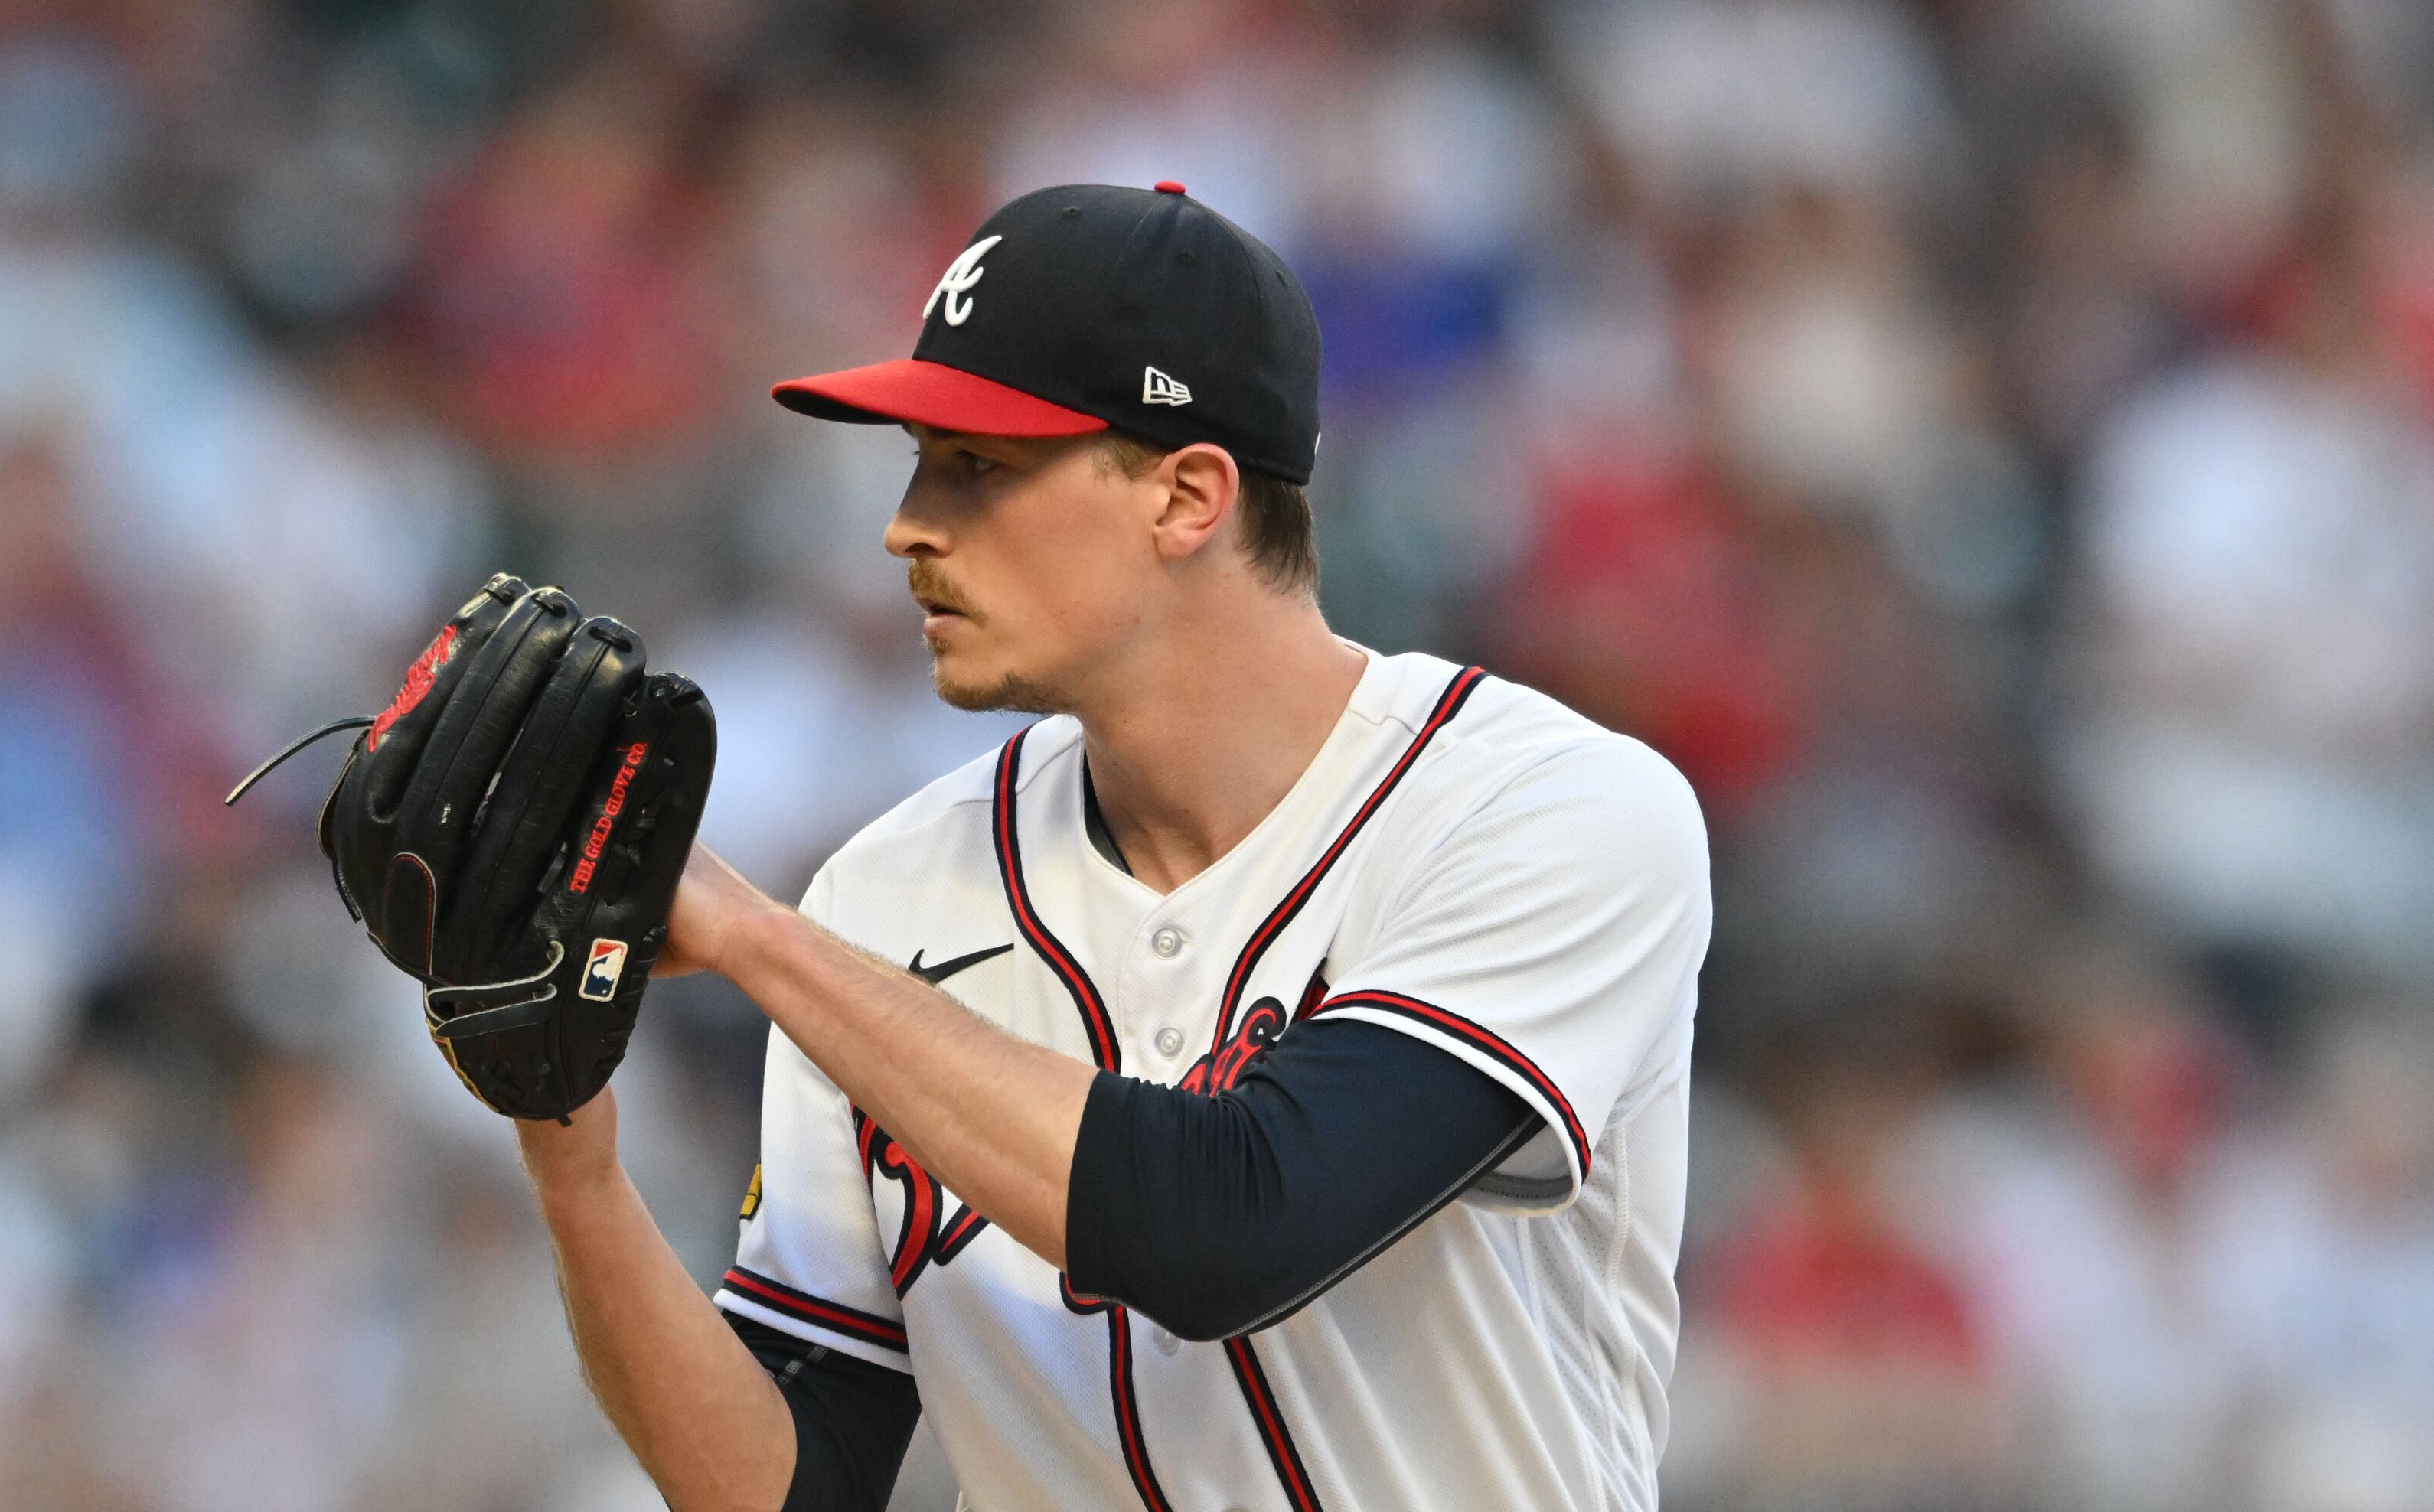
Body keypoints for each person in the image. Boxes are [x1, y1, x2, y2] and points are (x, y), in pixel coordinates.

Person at [511, 181, 1711, 1512]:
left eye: (979, 466)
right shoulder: (885, 893)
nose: (908, 523)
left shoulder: (1548, 813)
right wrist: (570, 1153)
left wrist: (760, 941)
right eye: (919, 458)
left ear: (1188, 495)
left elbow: (1229, 1229)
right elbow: (789, 1489)